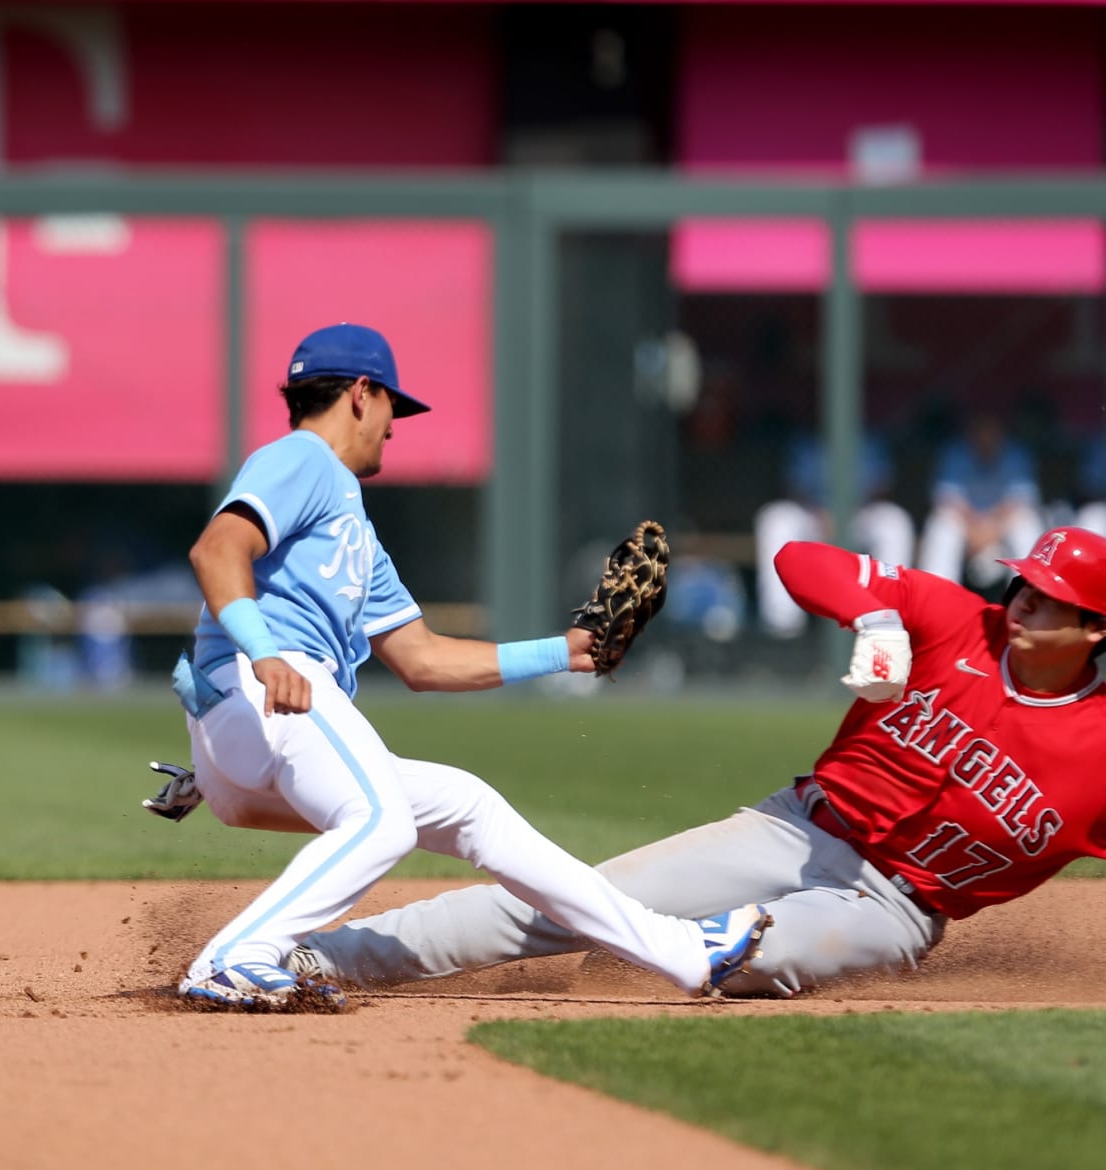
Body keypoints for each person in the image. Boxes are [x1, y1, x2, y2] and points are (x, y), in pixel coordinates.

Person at [159, 322, 770, 1009]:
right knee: (381, 821)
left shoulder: (355, 533)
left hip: (257, 727)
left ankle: (685, 953)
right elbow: (216, 550)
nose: (394, 427)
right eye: (393, 405)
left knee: (471, 807)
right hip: (266, 690)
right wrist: (265, 654)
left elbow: (422, 658)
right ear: (362, 393)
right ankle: (236, 956)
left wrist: (566, 653)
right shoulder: (303, 459)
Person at [284, 526, 1106, 999]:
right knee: (558, 901)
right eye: (1023, 584)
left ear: (1095, 627)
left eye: (1047, 596)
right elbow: (799, 559)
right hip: (792, 831)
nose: (1022, 600)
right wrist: (878, 616)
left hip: (891, 909)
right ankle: (310, 959)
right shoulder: (959, 620)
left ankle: (651, 966)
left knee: (744, 954)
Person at [754, 427, 914, 637]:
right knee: (777, 518)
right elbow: (792, 487)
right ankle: (783, 624)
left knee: (894, 522)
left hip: (859, 515)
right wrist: (821, 512)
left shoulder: (870, 442)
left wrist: (846, 512)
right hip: (813, 517)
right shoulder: (804, 444)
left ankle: (887, 619)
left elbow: (882, 487)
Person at [917, 409, 1044, 588]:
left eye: (991, 429)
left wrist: (990, 531)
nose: (986, 435)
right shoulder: (956, 452)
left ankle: (1026, 595)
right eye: (981, 429)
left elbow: (1020, 500)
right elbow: (947, 498)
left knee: (1026, 523)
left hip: (1001, 525)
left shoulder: (1016, 453)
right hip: (966, 525)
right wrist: (975, 530)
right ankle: (937, 596)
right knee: (942, 525)